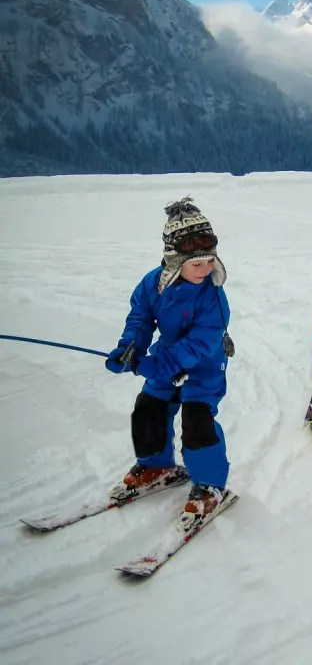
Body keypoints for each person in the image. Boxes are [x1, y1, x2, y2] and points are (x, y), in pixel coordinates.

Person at [104, 197, 234, 530]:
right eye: (196, 264)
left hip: (205, 364)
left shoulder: (213, 294)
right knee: (149, 406)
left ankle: (209, 486)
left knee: (197, 419)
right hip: (167, 355)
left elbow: (203, 341)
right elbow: (141, 318)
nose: (205, 270)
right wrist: (131, 348)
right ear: (175, 261)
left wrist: (164, 364)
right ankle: (155, 465)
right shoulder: (153, 284)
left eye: (209, 261)